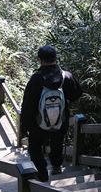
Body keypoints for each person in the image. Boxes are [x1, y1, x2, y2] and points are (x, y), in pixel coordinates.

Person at [20, 45, 82, 182]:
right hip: (61, 119)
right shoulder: (66, 76)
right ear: (55, 58)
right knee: (57, 141)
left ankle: (42, 173)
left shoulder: (36, 79)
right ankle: (56, 166)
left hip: (38, 122)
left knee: (35, 145)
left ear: (40, 60)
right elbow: (77, 93)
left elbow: (27, 106)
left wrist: (25, 126)